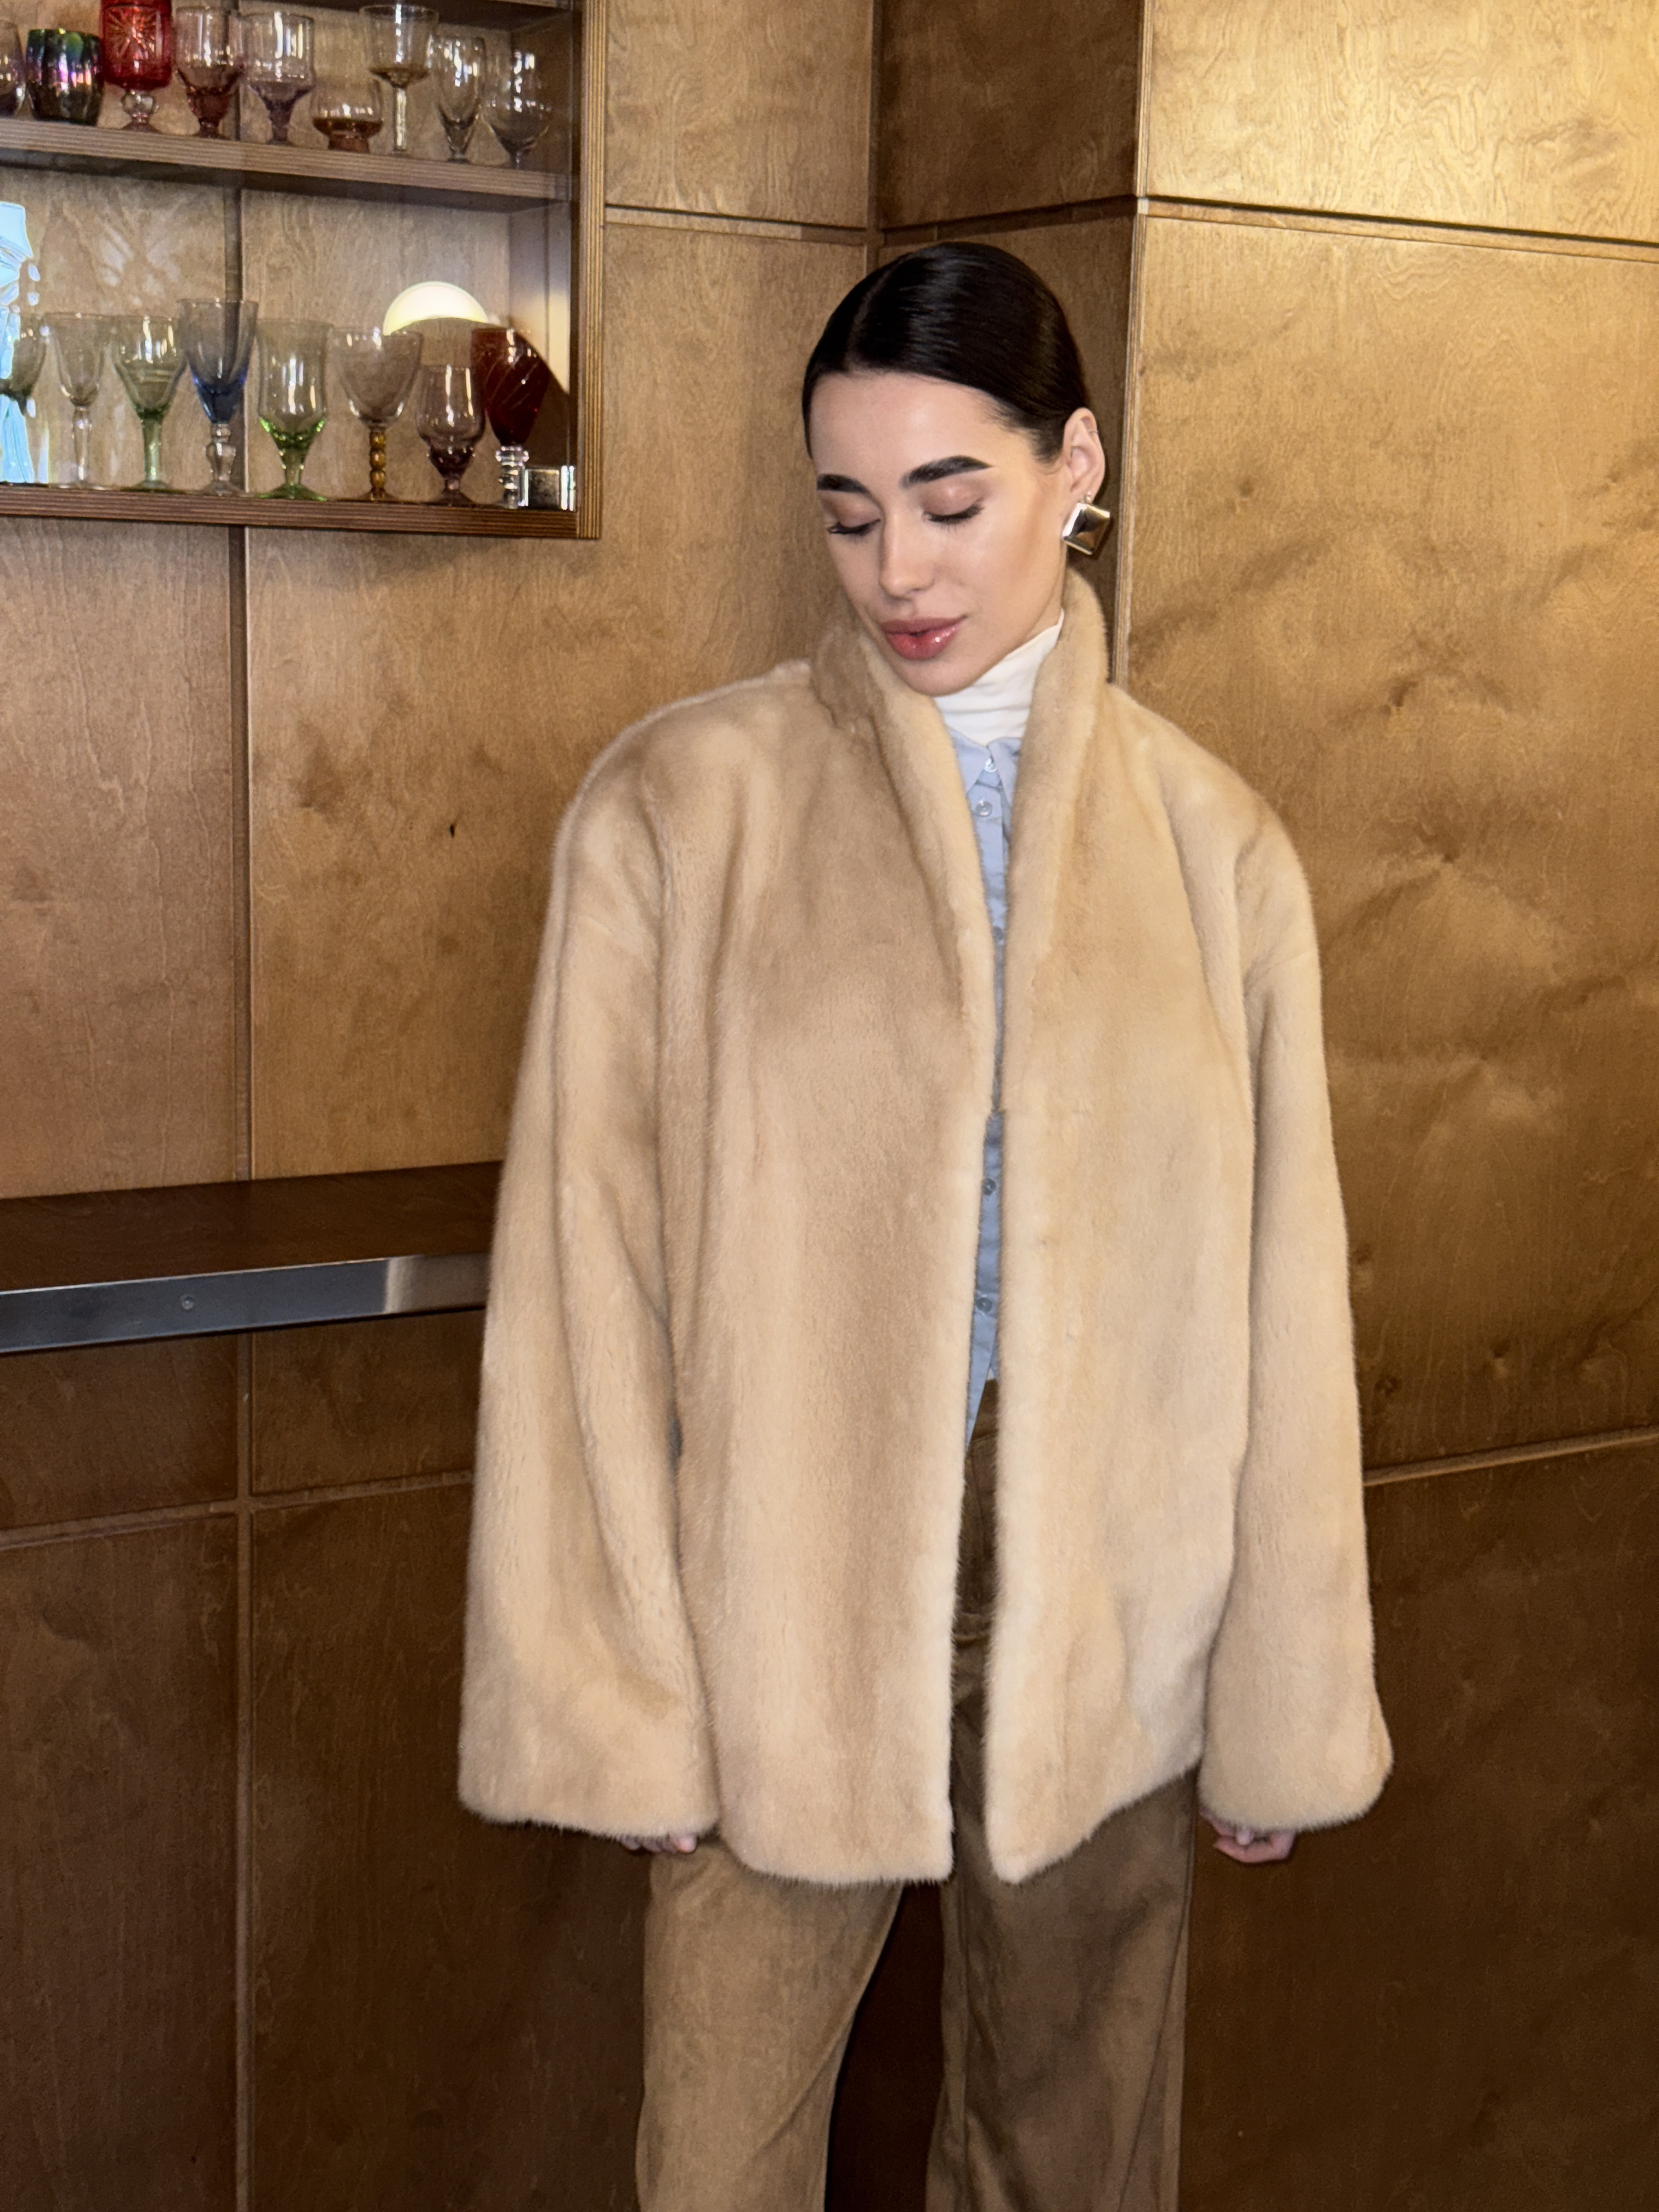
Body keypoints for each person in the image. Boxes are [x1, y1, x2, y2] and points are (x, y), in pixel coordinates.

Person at [459, 242, 1391, 2211]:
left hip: (1112, 1604)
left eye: (952, 502)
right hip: (775, 1592)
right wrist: (626, 1697)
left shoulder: (1217, 848)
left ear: (1077, 468)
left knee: (1072, 2157)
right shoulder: (679, 809)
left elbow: (1277, 1305)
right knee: (717, 2162)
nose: (899, 570)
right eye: (852, 511)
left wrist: (1277, 1701)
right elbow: (583, 1282)